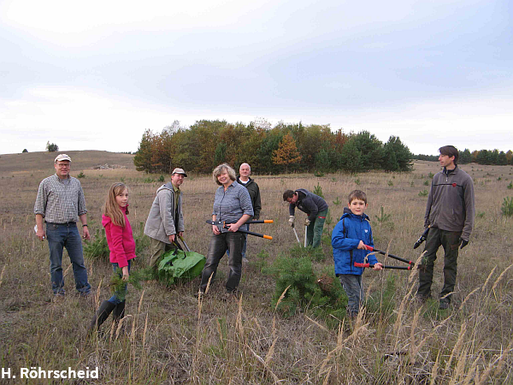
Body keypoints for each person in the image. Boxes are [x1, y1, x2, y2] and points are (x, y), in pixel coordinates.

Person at [416, 145, 475, 309]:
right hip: (434, 227)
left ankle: (445, 298)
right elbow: (430, 201)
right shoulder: (437, 178)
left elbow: (470, 208)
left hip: (453, 230)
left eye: (442, 156)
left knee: (449, 265)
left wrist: (466, 233)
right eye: (439, 155)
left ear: (452, 157)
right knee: (425, 261)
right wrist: (427, 222)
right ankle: (423, 294)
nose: (439, 158)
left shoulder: (465, 179)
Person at [34, 154, 91, 296]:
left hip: (72, 228)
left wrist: (85, 226)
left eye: (66, 164)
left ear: (70, 166)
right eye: (61, 164)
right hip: (54, 228)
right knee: (56, 264)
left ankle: (84, 290)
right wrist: (40, 229)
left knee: (78, 261)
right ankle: (58, 291)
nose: (64, 167)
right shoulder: (46, 183)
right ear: (55, 166)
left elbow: (81, 208)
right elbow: (39, 209)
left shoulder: (76, 183)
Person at [199, 163, 253, 298]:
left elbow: (248, 212)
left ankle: (230, 291)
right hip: (219, 231)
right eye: (218, 175)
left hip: (235, 232)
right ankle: (202, 290)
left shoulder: (241, 190)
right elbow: (215, 211)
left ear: (229, 174)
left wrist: (237, 225)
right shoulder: (219, 191)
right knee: (211, 261)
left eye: (223, 174)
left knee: (234, 263)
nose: (221, 177)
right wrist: (214, 224)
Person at [88, 183, 137, 333]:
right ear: (113, 197)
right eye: (121, 195)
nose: (124, 198)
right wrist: (124, 269)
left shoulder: (120, 213)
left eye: (126, 195)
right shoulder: (115, 218)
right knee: (118, 295)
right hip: (120, 261)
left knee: (121, 294)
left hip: (125, 259)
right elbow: (117, 246)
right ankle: (93, 327)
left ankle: (118, 327)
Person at [332, 190, 383, 317]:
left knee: (358, 297)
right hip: (346, 267)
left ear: (366, 206)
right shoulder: (344, 222)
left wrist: (374, 262)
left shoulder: (366, 224)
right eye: (354, 203)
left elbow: (369, 247)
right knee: (356, 298)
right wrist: (355, 243)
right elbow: (336, 241)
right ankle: (352, 324)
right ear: (349, 205)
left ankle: (353, 319)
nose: (358, 206)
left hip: (358, 267)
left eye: (361, 203)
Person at [144, 168, 187, 270]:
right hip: (157, 230)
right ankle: (150, 278)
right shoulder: (165, 192)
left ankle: (166, 274)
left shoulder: (177, 192)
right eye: (178, 176)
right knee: (158, 254)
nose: (180, 178)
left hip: (166, 229)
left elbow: (178, 213)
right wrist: (171, 232)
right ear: (172, 177)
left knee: (173, 251)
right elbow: (166, 214)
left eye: (182, 177)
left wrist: (180, 228)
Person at [236, 163, 261, 261]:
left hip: (247, 216)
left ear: (250, 172)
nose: (245, 171)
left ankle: (242, 256)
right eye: (243, 169)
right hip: (234, 215)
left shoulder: (254, 186)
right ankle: (231, 256)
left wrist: (256, 214)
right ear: (239, 171)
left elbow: (257, 201)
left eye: (247, 169)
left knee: (243, 236)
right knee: (231, 236)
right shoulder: (234, 184)